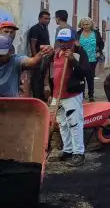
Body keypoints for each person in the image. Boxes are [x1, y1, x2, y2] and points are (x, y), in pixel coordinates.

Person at [51, 28, 90, 167]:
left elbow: (86, 73)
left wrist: (73, 61)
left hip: (71, 94)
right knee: (62, 124)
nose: (63, 44)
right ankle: (67, 150)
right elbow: (52, 72)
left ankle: (79, 153)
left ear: (74, 41)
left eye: (66, 41)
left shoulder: (79, 54)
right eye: (61, 41)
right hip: (57, 95)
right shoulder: (56, 53)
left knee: (75, 123)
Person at [0, 32, 53, 97]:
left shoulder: (16, 60)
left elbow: (33, 61)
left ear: (10, 51)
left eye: (2, 55)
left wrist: (43, 52)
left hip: (12, 102)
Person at [76, 18, 104, 102]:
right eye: (83, 24)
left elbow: (101, 44)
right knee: (81, 77)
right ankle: (82, 94)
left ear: (91, 24)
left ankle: (91, 95)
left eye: (87, 24)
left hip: (92, 58)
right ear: (81, 25)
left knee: (90, 77)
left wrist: (98, 51)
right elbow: (75, 46)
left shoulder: (95, 33)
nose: (85, 26)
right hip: (81, 59)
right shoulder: (78, 34)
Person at [26, 10, 51, 100]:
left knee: (42, 79)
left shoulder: (45, 28)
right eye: (45, 19)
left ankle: (41, 98)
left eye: (49, 19)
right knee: (36, 79)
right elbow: (33, 44)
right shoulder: (35, 29)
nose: (47, 21)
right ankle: (36, 98)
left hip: (45, 58)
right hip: (38, 58)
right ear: (39, 18)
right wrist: (35, 59)